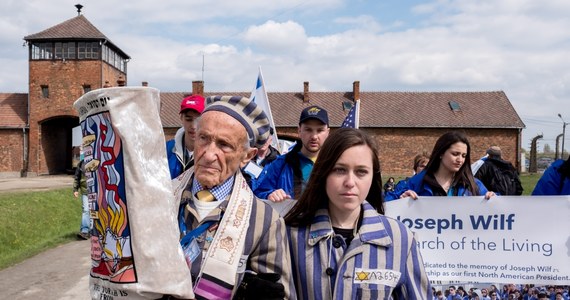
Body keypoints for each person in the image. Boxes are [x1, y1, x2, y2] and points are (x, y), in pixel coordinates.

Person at [284, 128, 432, 299]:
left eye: (361, 172)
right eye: (339, 170)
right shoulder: (291, 234)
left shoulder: (400, 238)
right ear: (323, 172)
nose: (350, 182)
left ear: (373, 176)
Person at [176, 95, 295, 299]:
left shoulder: (265, 221)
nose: (209, 154)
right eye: (204, 138)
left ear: (247, 156)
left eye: (224, 145)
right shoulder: (163, 197)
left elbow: (279, 293)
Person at [385, 131, 495, 200]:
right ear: (441, 153)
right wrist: (401, 199)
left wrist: (494, 199)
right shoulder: (418, 181)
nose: (460, 160)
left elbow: (500, 209)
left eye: (464, 155)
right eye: (455, 154)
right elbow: (387, 202)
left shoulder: (472, 184)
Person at [254, 105, 330, 202]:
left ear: (327, 132)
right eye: (308, 130)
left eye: (320, 130)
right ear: (299, 130)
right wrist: (270, 195)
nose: (314, 136)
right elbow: (259, 194)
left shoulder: (335, 164)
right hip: (289, 217)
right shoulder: (281, 163)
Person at [166, 94, 205, 179]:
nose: (193, 126)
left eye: (199, 120)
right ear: (181, 118)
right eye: (189, 119)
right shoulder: (166, 150)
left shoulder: (210, 154)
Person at [73, 157, 91, 240]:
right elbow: (77, 177)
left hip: (96, 191)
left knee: (95, 211)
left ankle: (94, 230)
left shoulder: (97, 161)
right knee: (86, 210)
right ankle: (84, 231)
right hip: (85, 191)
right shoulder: (81, 164)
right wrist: (75, 189)